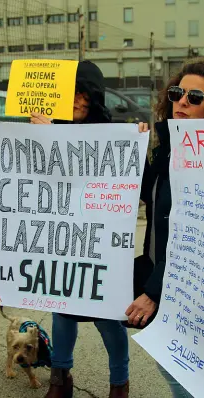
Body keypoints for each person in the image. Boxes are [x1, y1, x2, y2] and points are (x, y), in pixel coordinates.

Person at [31, 60, 129, 398]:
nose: (75, 100)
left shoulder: (115, 137)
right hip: (62, 240)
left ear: (94, 97)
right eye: (68, 93)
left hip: (102, 242)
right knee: (63, 309)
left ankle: (120, 384)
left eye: (82, 93)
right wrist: (37, 136)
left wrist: (140, 143)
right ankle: (61, 378)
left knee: (107, 316)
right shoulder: (48, 128)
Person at [126, 58, 204, 397]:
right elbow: (153, 199)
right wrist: (135, 153)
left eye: (195, 97)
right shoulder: (172, 150)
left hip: (187, 293)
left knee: (184, 378)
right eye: (176, 92)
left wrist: (154, 292)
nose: (182, 101)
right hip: (171, 285)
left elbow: (196, 238)